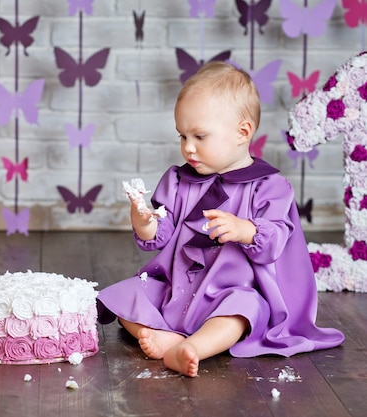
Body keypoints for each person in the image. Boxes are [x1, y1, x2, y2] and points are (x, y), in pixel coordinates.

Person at [97, 61, 344, 377]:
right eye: (182, 136)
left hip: (229, 292)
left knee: (244, 311)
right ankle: (171, 338)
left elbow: (276, 240)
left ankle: (194, 348)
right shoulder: (178, 181)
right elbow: (161, 231)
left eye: (199, 136)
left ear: (242, 133)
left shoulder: (269, 187)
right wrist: (145, 220)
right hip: (178, 289)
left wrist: (246, 229)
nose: (188, 148)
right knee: (124, 297)